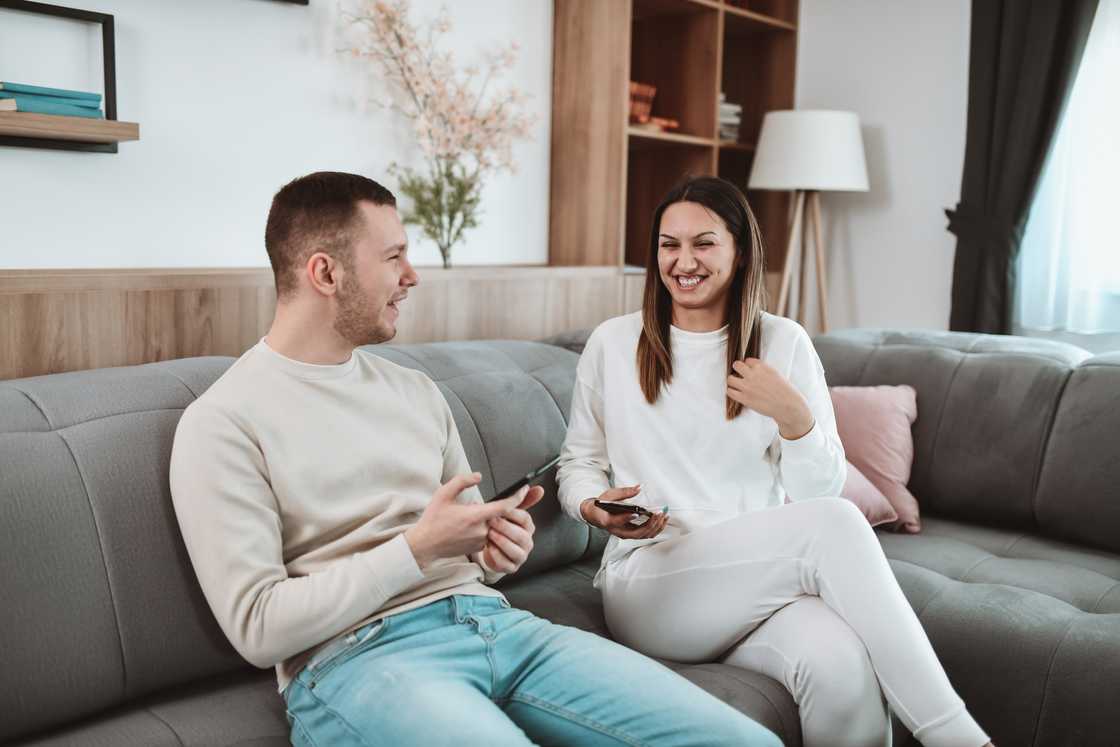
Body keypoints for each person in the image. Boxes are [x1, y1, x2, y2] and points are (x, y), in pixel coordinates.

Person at [169, 171, 782, 746]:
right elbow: (257, 628)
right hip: (357, 661)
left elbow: (463, 551)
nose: (411, 275)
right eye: (393, 257)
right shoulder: (224, 423)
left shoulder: (413, 391)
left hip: (497, 627)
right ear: (325, 274)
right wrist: (416, 550)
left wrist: (491, 553)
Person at [557, 176, 994, 747]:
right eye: (669, 244)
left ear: (740, 252)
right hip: (651, 585)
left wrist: (794, 417)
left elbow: (818, 488)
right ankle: (960, 740)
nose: (683, 261)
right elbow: (578, 462)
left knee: (844, 669)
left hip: (758, 589)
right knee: (835, 524)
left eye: (704, 243)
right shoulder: (615, 343)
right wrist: (592, 507)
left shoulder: (783, 343)